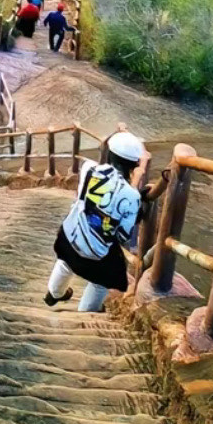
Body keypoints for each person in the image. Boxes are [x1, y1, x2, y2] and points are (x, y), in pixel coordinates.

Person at [45, 129, 147, 312]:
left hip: (68, 237)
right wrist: (138, 177)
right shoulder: (132, 197)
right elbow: (123, 235)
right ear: (135, 164)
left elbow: (102, 186)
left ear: (108, 153)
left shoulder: (88, 169)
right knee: (105, 279)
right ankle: (86, 313)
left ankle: (54, 293)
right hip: (94, 254)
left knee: (66, 260)